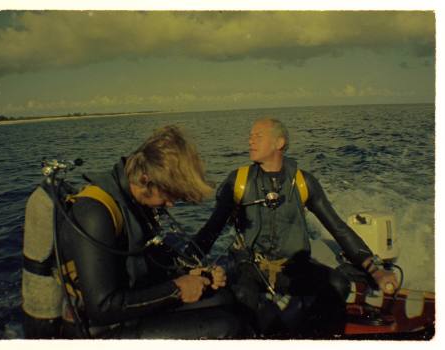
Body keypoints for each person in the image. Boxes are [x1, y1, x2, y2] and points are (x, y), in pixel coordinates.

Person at [193, 117, 398, 337]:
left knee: (338, 285)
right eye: (250, 136)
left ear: (279, 143)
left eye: (258, 136)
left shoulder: (303, 182)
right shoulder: (239, 181)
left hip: (293, 268)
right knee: (243, 296)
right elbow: (211, 230)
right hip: (250, 267)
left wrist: (374, 269)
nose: (250, 141)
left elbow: (337, 228)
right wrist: (183, 265)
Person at [56, 125, 242, 339]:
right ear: (146, 180)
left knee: (225, 298)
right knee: (226, 327)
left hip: (129, 309)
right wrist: (177, 289)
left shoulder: (135, 203)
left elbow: (150, 264)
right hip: (97, 329)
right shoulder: (95, 212)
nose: (171, 203)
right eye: (170, 192)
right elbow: (102, 307)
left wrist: (193, 275)